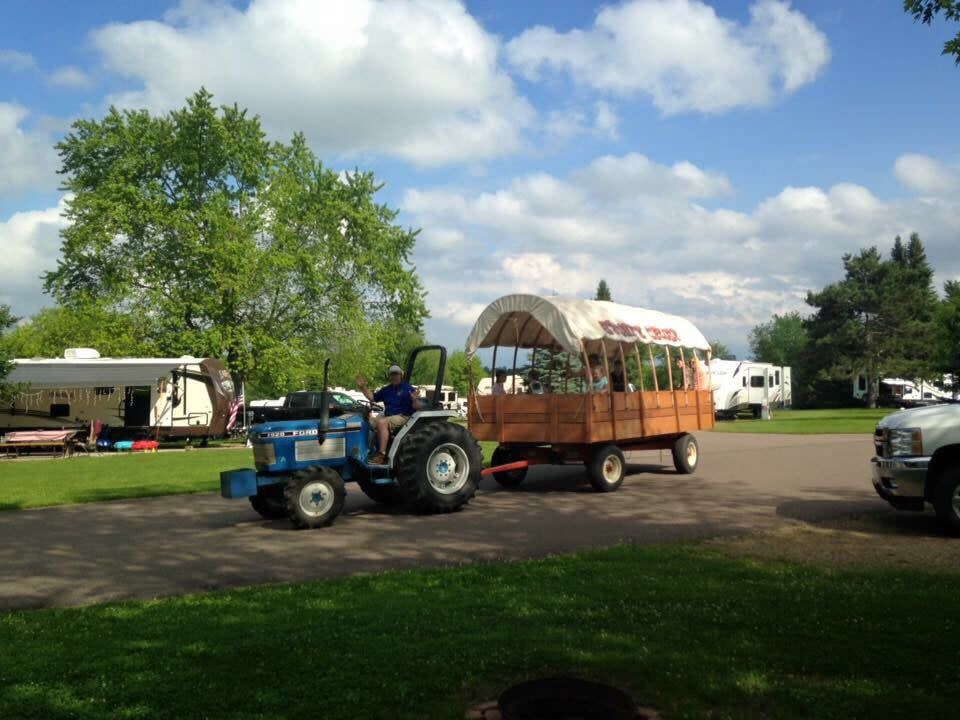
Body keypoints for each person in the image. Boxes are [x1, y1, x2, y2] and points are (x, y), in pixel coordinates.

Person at [356, 364, 421, 464]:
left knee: (382, 422)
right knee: (366, 422)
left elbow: (416, 407)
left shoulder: (408, 388)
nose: (394, 376)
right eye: (392, 374)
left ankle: (381, 455)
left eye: (396, 374)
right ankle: (365, 450)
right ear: (389, 376)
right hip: (389, 415)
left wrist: (414, 400)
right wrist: (363, 387)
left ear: (401, 375)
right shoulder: (386, 390)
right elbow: (373, 398)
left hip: (404, 416)